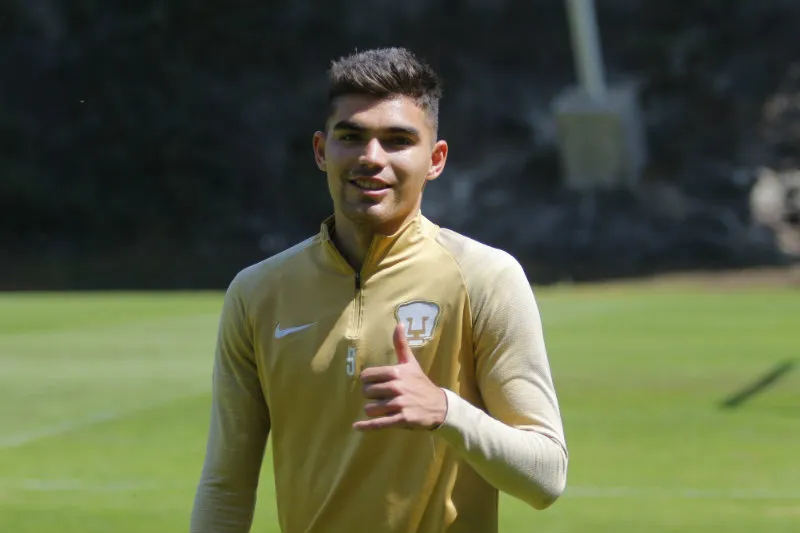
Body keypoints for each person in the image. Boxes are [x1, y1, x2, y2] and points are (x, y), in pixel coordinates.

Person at [190, 46, 568, 533]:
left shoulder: (485, 277)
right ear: (322, 151)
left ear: (435, 159)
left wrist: (446, 410)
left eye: (397, 140)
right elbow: (227, 484)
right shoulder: (258, 292)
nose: (372, 158)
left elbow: (546, 477)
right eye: (352, 137)